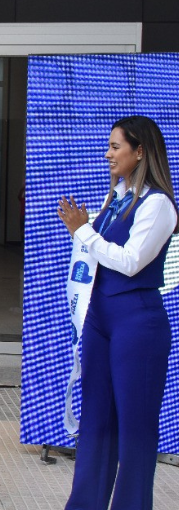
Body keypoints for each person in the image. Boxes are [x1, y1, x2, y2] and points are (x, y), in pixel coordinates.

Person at [58, 115, 176, 510]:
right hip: (101, 319)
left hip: (137, 323)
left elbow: (130, 262)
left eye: (115, 146)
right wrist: (85, 232)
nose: (107, 154)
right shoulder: (117, 198)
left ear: (139, 151)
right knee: (96, 422)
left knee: (135, 431)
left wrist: (83, 231)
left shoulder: (158, 204)